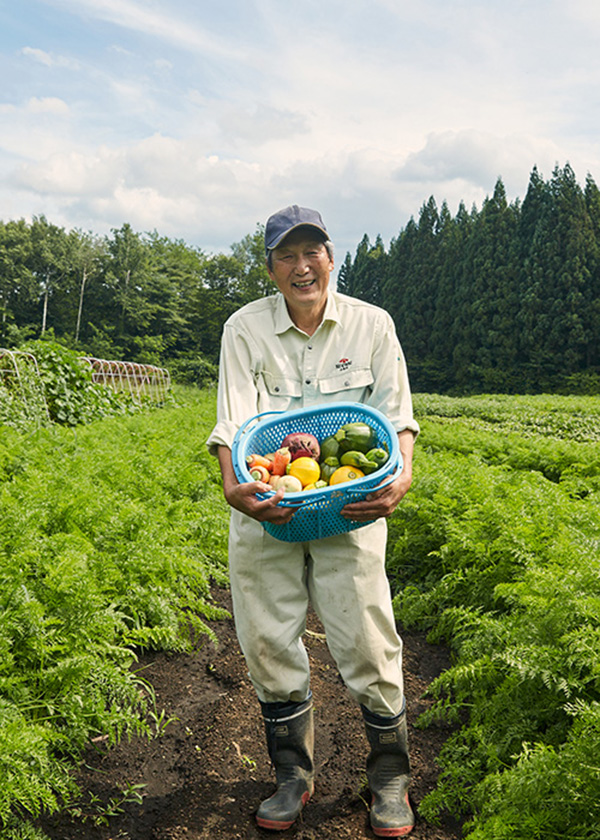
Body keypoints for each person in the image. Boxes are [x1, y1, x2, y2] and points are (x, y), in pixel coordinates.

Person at [206, 205, 420, 836]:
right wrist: (232, 487)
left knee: (367, 640)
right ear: (271, 267)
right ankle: (292, 776)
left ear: (332, 257)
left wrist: (399, 477)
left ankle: (389, 778)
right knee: (267, 640)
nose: (302, 267)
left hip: (350, 507)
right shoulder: (244, 329)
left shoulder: (371, 325)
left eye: (313, 253)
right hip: (267, 504)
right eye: (286, 256)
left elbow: (397, 415)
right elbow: (231, 423)